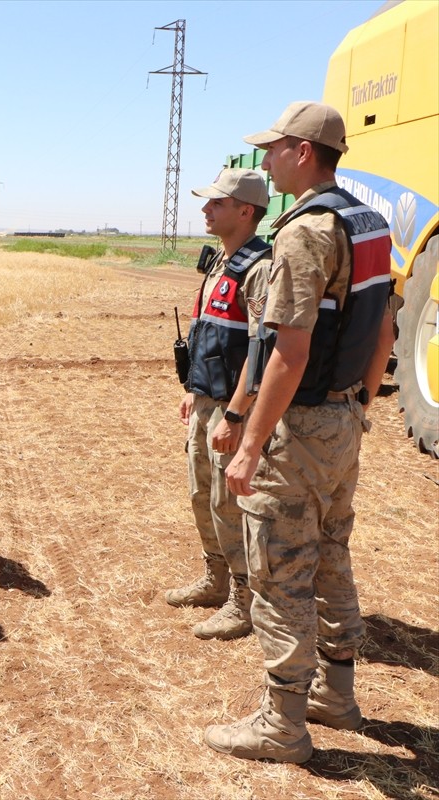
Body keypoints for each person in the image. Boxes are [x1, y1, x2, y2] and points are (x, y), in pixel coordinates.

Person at [204, 101, 394, 763]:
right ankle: (335, 696)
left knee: (282, 571)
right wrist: (361, 406)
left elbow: (288, 349)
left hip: (303, 424)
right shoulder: (369, 221)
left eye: (275, 149)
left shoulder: (305, 230)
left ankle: (283, 725)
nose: (266, 160)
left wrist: (250, 443)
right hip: (343, 421)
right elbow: (385, 330)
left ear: (304, 152)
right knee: (333, 551)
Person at [166, 169, 271, 641]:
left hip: (234, 408)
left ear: (245, 211)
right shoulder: (218, 264)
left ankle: (243, 601)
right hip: (206, 399)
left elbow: (261, 349)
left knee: (230, 506)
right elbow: (207, 332)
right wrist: (194, 389)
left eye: (217, 204)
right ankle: (216, 578)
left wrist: (235, 413)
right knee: (201, 496)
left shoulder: (260, 267)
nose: (206, 210)